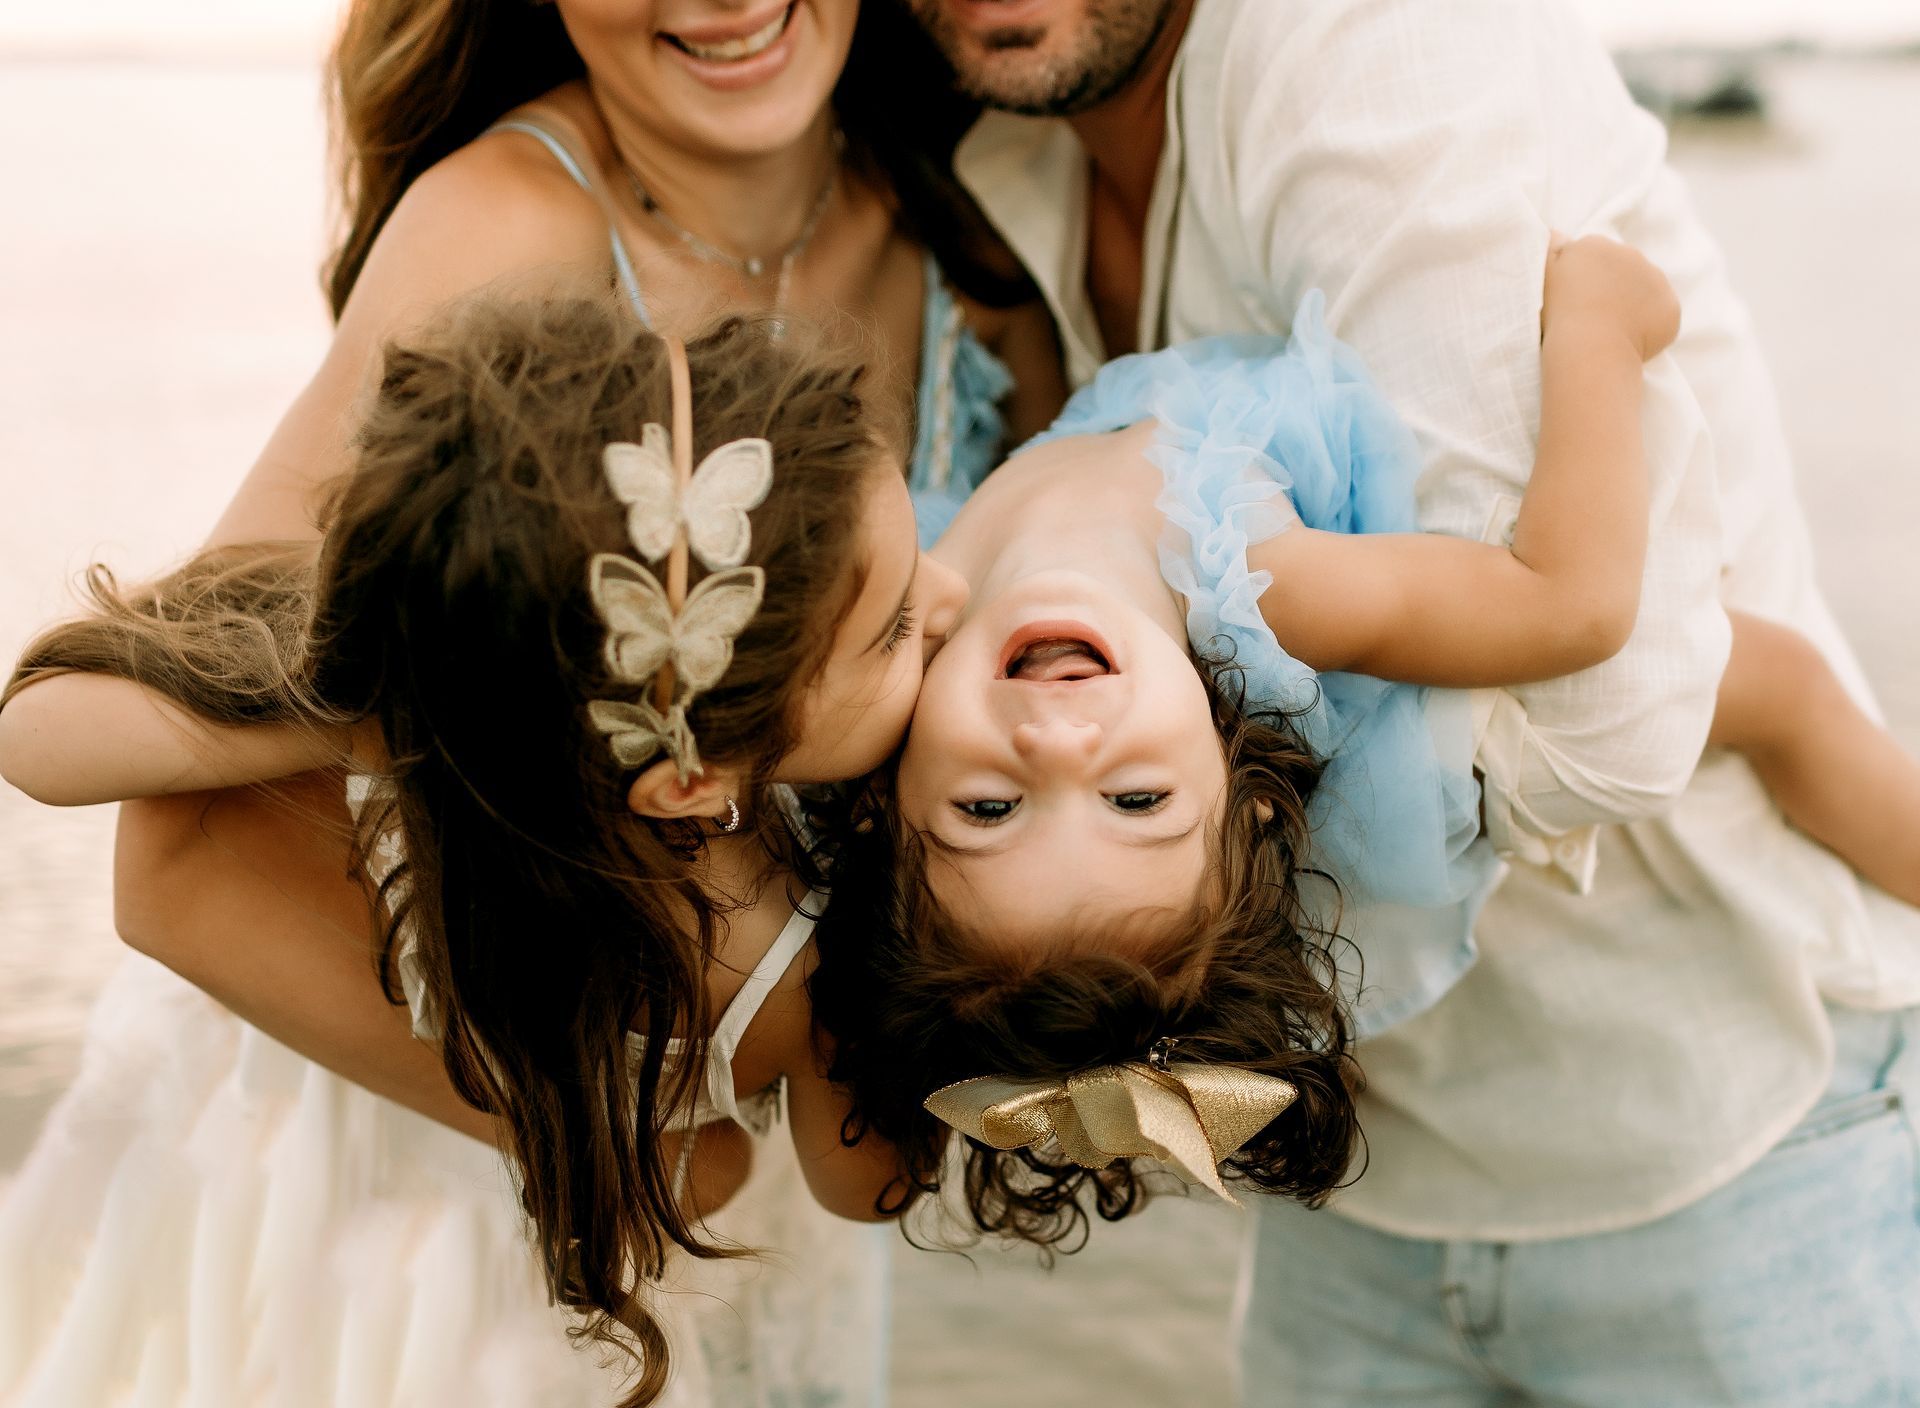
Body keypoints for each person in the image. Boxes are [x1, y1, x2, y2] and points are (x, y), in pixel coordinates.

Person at [0, 0, 1062, 1399]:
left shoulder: (979, 224)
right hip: (436, 1176)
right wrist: (608, 1134)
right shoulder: (505, 235)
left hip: (751, 1175)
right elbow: (175, 859)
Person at [896, 0, 1920, 1400]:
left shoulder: (1370, 53)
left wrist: (1601, 343)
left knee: (1783, 695)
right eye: (1129, 799)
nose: (1057, 737)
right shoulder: (988, 155)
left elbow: (1600, 677)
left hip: (1722, 1123)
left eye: (996, 802)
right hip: (1371, 1195)